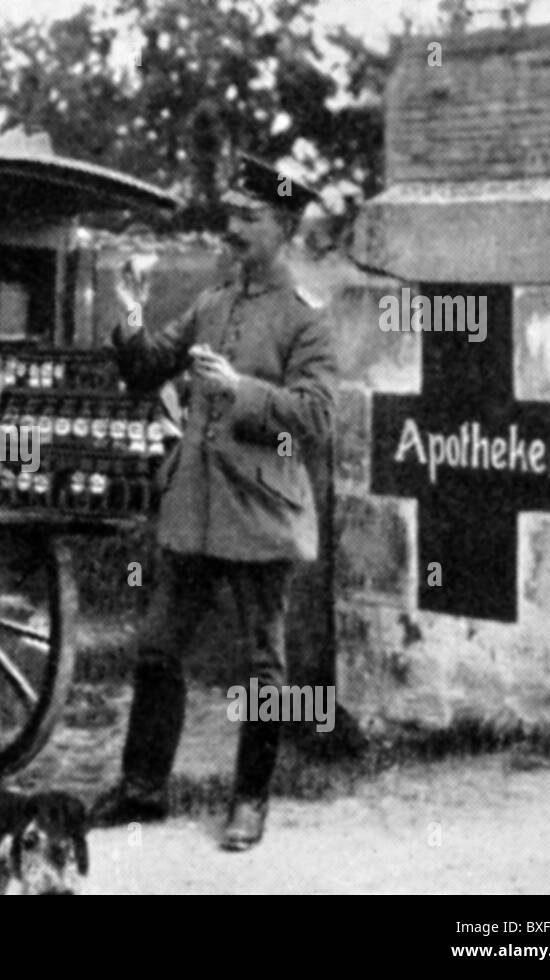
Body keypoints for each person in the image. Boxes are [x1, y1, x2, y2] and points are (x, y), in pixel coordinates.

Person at [90, 155, 337, 851]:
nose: (230, 229)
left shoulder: (305, 318)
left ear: (283, 228)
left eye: (247, 219)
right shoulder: (214, 301)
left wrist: (240, 390)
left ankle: (251, 802)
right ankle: (142, 790)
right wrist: (130, 310)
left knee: (263, 663)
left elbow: (317, 418)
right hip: (194, 511)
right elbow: (146, 368)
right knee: (159, 648)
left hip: (260, 515)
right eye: (229, 216)